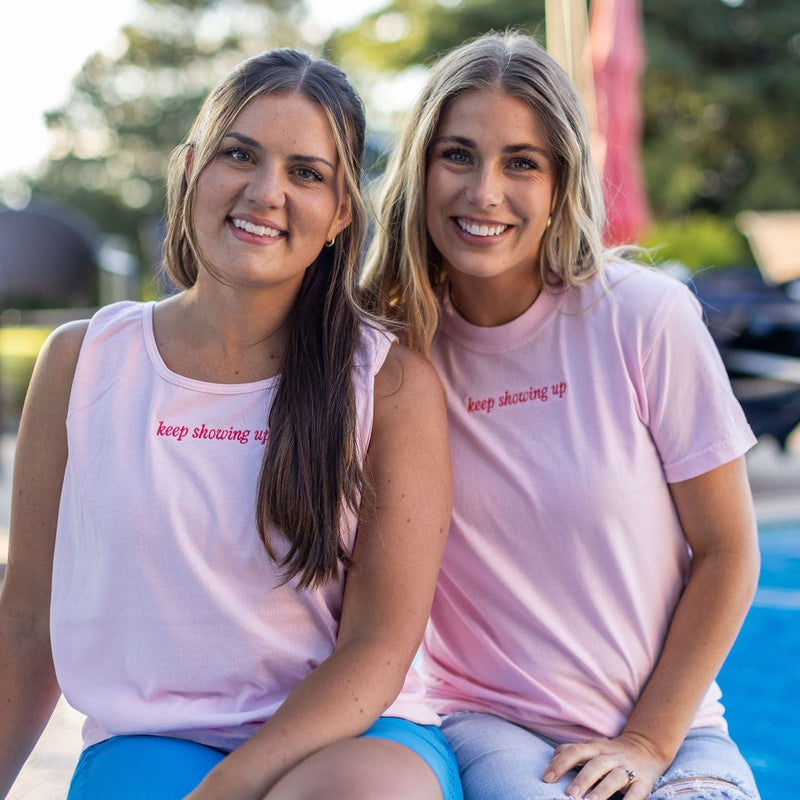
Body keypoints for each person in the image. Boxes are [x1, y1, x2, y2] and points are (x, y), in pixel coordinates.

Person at [0, 48, 462, 800]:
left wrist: (227, 792)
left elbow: (379, 646)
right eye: (239, 154)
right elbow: (25, 626)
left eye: (306, 173)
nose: (266, 191)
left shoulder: (389, 381)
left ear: (341, 211)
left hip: (352, 734)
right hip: (154, 736)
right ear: (190, 169)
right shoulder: (82, 362)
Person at [363, 31, 761, 800]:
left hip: (673, 731)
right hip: (493, 726)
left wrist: (648, 741)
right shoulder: (387, 358)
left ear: (561, 182)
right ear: (418, 169)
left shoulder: (643, 317)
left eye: (521, 162)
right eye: (457, 155)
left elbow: (729, 550)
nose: (484, 192)